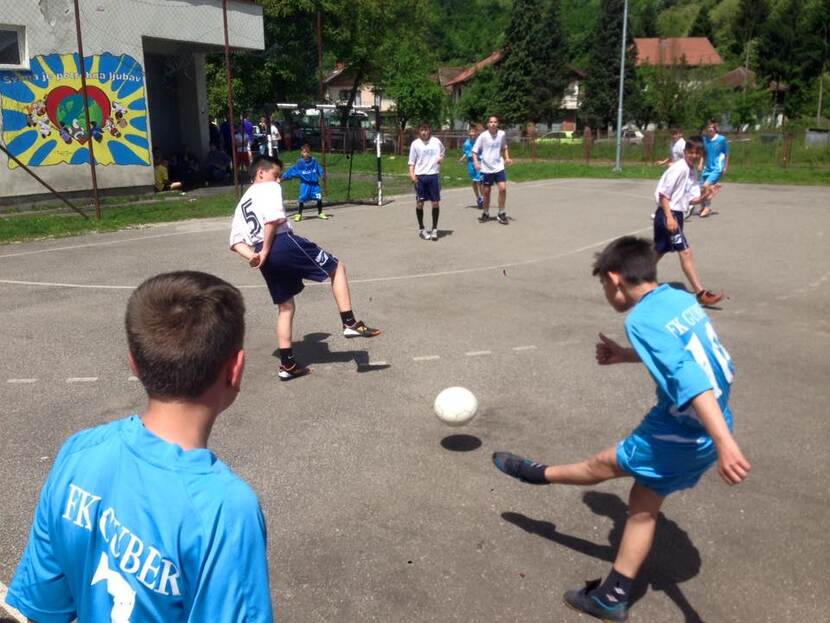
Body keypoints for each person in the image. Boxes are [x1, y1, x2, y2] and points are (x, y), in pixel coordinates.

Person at [493, 235, 750, 622]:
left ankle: (537, 474)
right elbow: (686, 353)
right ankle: (612, 596)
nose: (605, 292)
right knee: (643, 503)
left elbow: (690, 377)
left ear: (614, 278)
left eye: (602, 284)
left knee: (600, 466)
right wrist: (627, 355)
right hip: (709, 423)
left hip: (679, 432)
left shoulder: (641, 319)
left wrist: (725, 442)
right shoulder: (678, 299)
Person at [6, 271, 274, 622]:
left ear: (133, 362)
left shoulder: (79, 453)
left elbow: (42, 608)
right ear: (235, 369)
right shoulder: (226, 511)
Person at [229, 155, 380, 381]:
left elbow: (235, 241)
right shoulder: (269, 187)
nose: (278, 180)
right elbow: (272, 220)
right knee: (336, 268)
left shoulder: (243, 202)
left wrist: (254, 256)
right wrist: (267, 249)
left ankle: (287, 364)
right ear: (261, 173)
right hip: (281, 242)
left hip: (263, 254)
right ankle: (349, 322)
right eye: (276, 175)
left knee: (285, 307)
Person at [652, 136, 724, 307]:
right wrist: (669, 218)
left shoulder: (692, 171)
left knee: (658, 251)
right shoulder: (679, 169)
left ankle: (632, 278)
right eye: (690, 152)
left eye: (697, 153)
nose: (693, 155)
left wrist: (706, 196)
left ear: (701, 155)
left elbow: (691, 199)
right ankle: (701, 293)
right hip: (668, 214)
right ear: (684, 152)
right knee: (685, 252)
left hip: (676, 214)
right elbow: (663, 195)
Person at [408, 121, 446, 240]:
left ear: (429, 130)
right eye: (422, 130)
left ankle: (434, 229)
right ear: (419, 131)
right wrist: (412, 175)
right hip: (420, 177)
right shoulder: (415, 144)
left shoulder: (436, 142)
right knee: (420, 203)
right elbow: (411, 162)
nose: (424, 132)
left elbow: (443, 153)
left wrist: (441, 159)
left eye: (426, 130)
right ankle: (422, 229)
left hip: (433, 176)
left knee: (435, 203)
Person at [472, 115, 513, 225]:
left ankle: (501, 213)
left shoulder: (502, 134)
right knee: (486, 192)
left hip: (499, 166)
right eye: (491, 122)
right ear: (488, 124)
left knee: (503, 189)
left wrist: (507, 158)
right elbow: (474, 151)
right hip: (486, 168)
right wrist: (476, 162)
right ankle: (486, 213)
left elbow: (504, 147)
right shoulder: (483, 136)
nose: (493, 124)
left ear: (497, 124)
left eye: (495, 122)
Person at [282, 144, 327, 221]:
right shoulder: (300, 163)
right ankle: (299, 214)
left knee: (319, 197)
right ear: (301, 153)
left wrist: (322, 175)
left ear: (310, 153)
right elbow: (293, 171)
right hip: (305, 184)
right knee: (302, 198)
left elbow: (319, 168)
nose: (306, 153)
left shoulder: (314, 161)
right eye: (304, 152)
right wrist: (284, 177)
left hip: (314, 184)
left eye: (307, 152)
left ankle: (320, 213)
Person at [698, 120, 729, 218]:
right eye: (708, 127)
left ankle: (707, 208)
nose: (710, 129)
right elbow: (703, 153)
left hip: (717, 167)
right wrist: (700, 163)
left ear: (715, 130)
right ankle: (703, 206)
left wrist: (725, 166)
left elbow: (726, 154)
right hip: (707, 167)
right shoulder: (705, 139)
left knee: (706, 186)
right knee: (702, 189)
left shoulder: (721, 139)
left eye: (712, 128)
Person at [459, 125, 484, 209]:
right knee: (473, 181)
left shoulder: (479, 141)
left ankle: (483, 198)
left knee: (479, 180)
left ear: (476, 133)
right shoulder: (466, 143)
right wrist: (462, 158)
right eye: (470, 133)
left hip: (479, 161)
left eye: (473, 133)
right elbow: (466, 152)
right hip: (470, 162)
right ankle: (478, 197)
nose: (472, 135)